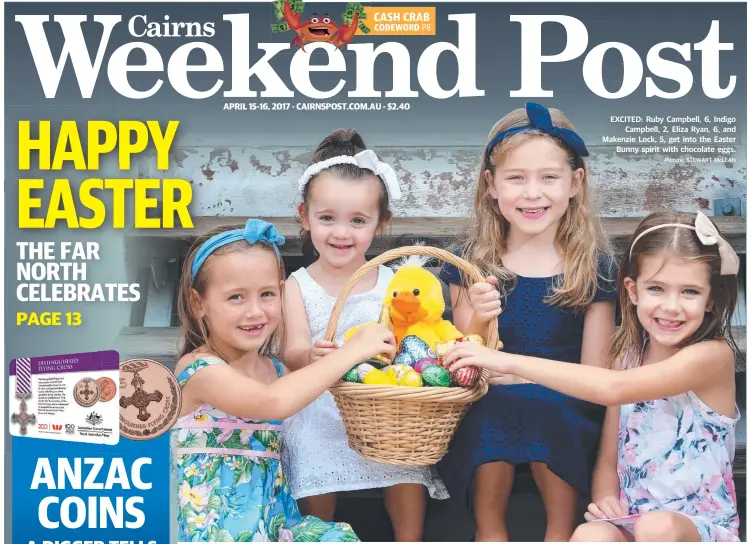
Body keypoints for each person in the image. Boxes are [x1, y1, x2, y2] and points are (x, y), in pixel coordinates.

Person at [443, 211, 742, 542]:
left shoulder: (711, 357)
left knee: (656, 527)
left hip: (697, 526)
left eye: (689, 292)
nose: (671, 306)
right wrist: (603, 498)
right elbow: (608, 457)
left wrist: (504, 360)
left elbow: (612, 389)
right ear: (632, 290)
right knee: (590, 534)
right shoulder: (626, 356)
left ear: (711, 297)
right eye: (656, 288)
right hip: (632, 519)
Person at [439, 102, 618, 541]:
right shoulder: (470, 262)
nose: (532, 193)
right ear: (491, 186)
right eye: (516, 178)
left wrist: (530, 379)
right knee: (490, 413)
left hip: (566, 400)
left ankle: (560, 532)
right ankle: (490, 531)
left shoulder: (593, 267)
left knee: (546, 409)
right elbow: (464, 356)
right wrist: (480, 317)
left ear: (576, 183)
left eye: (549, 177)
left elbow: (595, 375)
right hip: (488, 396)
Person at [171, 218, 396, 542]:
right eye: (236, 297)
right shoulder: (198, 369)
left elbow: (308, 399)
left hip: (277, 528)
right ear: (198, 303)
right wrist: (350, 353)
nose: (255, 312)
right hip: (219, 533)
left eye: (266, 294)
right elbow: (273, 402)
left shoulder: (277, 372)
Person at [282, 129, 448, 542]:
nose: (341, 233)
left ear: (381, 224)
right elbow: (292, 352)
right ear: (304, 216)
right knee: (309, 439)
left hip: (382, 401)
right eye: (327, 218)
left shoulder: (393, 281)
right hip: (321, 398)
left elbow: (412, 337)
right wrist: (312, 356)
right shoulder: (296, 285)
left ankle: (409, 537)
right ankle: (315, 532)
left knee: (406, 459)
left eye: (358, 221)